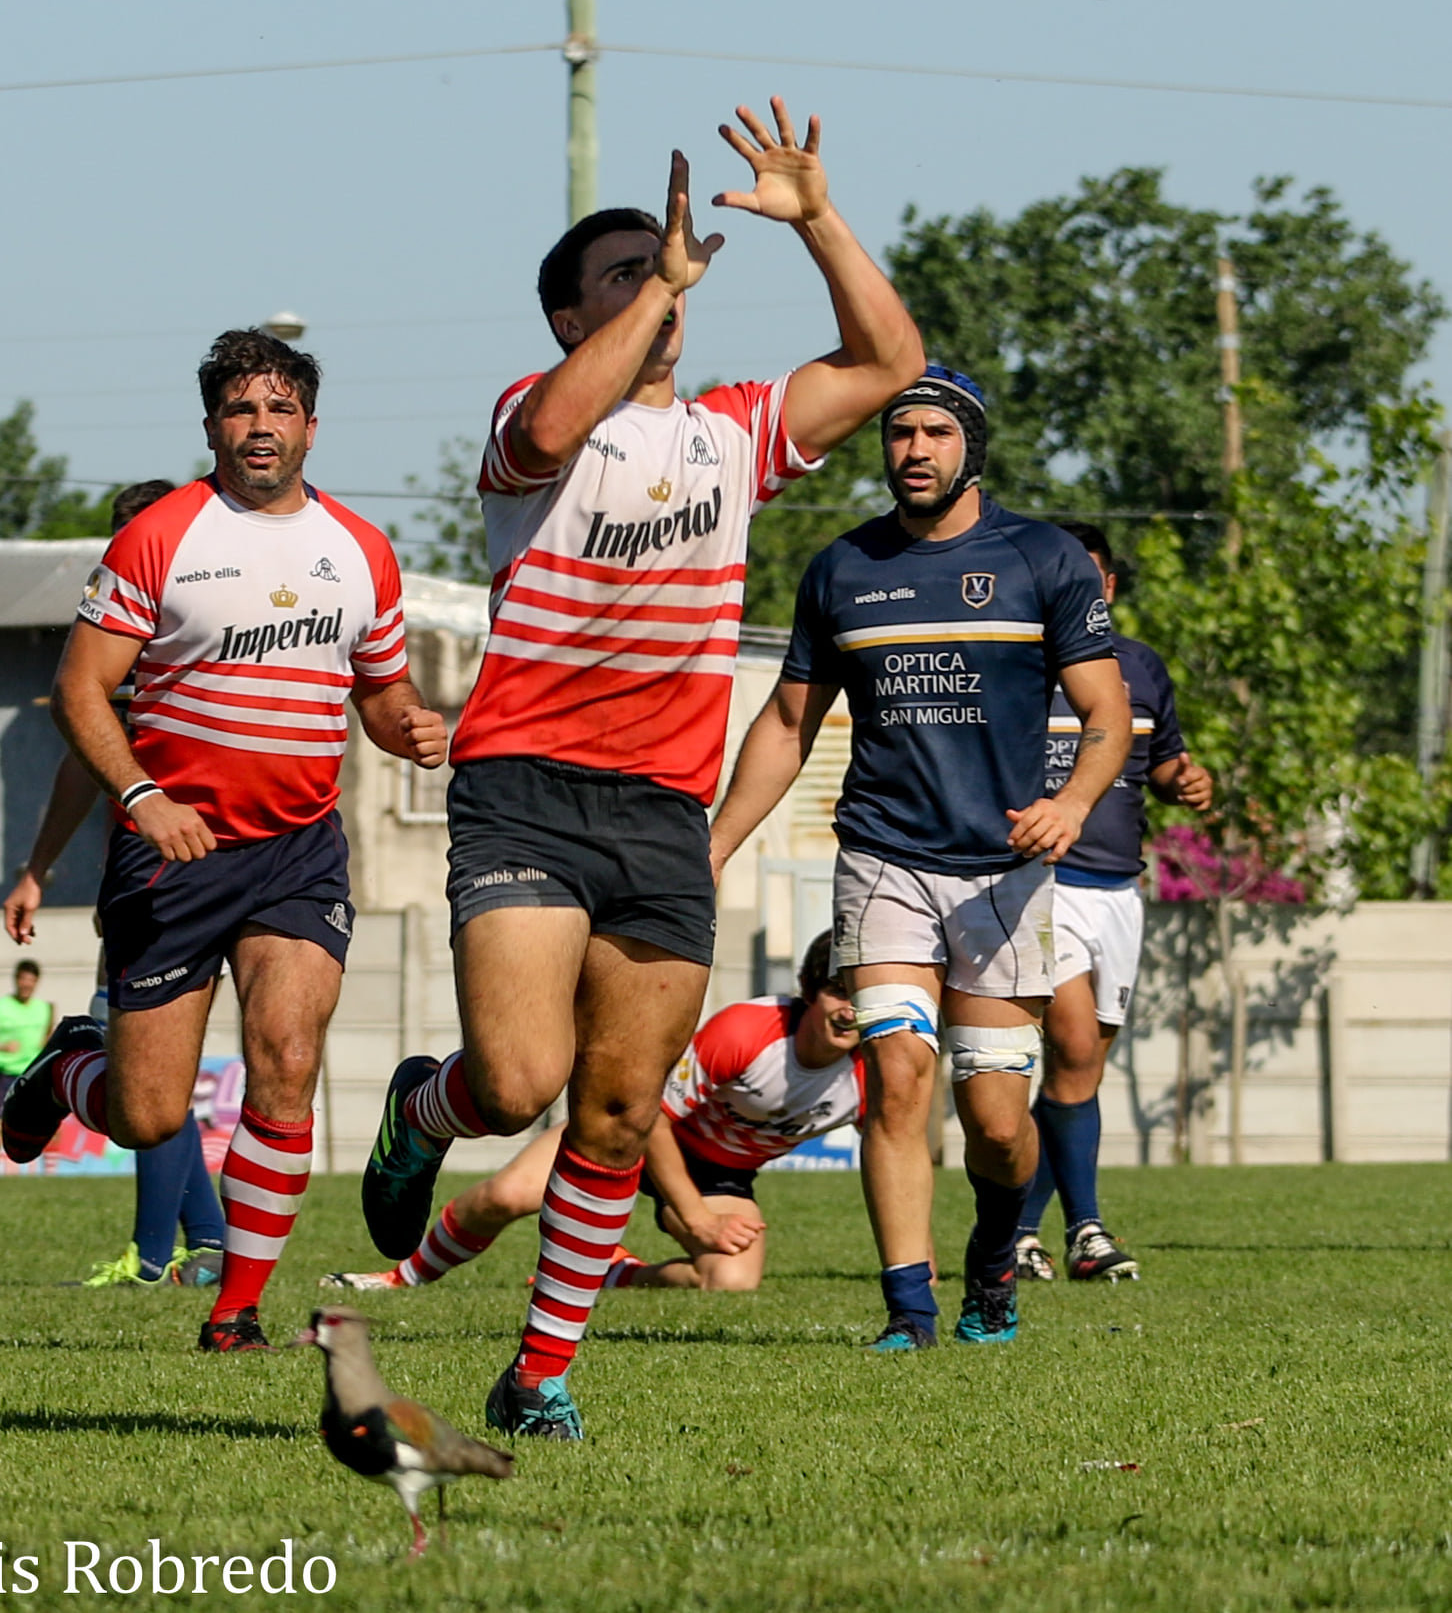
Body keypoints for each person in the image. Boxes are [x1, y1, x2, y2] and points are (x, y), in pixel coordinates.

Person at [361, 97, 924, 1438]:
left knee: (615, 1112)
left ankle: (539, 1374)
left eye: (661, 267)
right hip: (525, 788)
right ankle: (424, 1109)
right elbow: (554, 431)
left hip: (666, 809)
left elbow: (890, 361)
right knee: (516, 1081)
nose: (660, 280)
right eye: (620, 274)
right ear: (571, 317)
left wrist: (818, 219)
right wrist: (661, 285)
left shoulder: (732, 434)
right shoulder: (531, 414)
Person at [0, 329, 448, 1351]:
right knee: (149, 1116)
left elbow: (381, 691)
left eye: (280, 408)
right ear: (211, 426)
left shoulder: (362, 549)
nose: (261, 426)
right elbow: (79, 691)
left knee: (288, 1059)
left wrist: (411, 726)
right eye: (241, 408)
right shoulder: (159, 536)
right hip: (173, 852)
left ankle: (236, 1310)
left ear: (311, 427)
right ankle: (68, 1070)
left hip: (298, 849)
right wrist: (142, 795)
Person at [709, 365, 1132, 1351]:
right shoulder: (843, 568)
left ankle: (994, 1254)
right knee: (897, 1078)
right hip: (884, 858)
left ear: (970, 448)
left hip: (1004, 875)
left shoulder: (1043, 559)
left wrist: (1071, 805)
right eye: (900, 433)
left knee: (997, 1125)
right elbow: (787, 722)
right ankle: (908, 1309)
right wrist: (716, 843)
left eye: (936, 433)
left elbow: (1107, 715)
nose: (914, 450)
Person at [326, 932, 860, 1294]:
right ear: (809, 991)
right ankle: (402, 1278)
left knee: (731, 1282)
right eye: (838, 992)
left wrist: (903, 1270)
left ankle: (618, 1274)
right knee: (505, 1196)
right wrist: (696, 1217)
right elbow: (653, 1115)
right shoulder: (748, 1031)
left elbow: (891, 1147)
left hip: (721, 1174)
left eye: (862, 996)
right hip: (633, 1127)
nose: (850, 1010)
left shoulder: (875, 1073)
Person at [3, 479, 226, 1287]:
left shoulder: (208, 617)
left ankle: (182, 1248)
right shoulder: (119, 632)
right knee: (151, 1073)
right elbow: (82, 761)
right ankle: (182, 1248)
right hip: (151, 875)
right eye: (124, 540)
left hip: (246, 865)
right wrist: (36, 869)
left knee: (154, 1075)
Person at [1013, 521, 1213, 1284]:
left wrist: (1186, 781)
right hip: (1043, 885)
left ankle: (1020, 1234)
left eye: (1088, 575)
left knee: (1081, 1073)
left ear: (1109, 586)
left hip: (1119, 893)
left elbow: (1164, 762)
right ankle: (1087, 1229)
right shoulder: (1013, 659)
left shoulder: (1139, 666)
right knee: (1070, 1047)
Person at [0, 959, 55, 1173]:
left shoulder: (44, 1009)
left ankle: (48, 1177)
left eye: (31, 980)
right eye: (23, 980)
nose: (26, 985)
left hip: (33, 1077)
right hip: (4, 1077)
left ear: (36, 982)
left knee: (44, 1131)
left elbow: (47, 1039)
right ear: (16, 980)